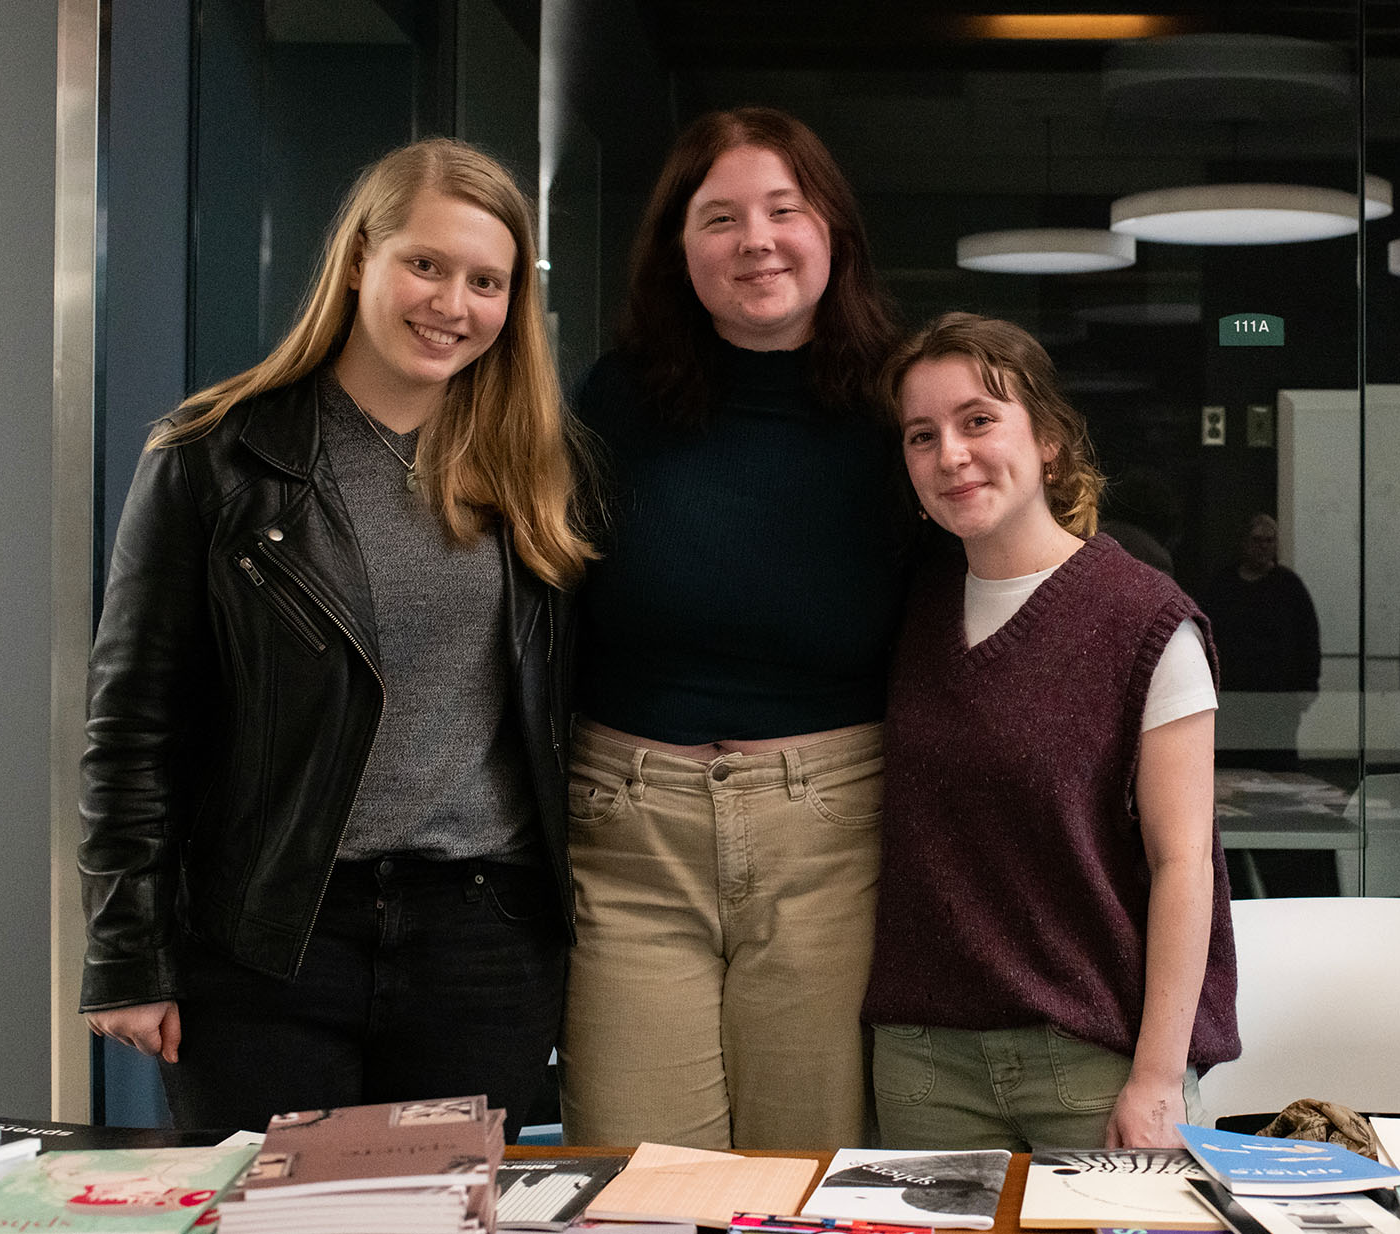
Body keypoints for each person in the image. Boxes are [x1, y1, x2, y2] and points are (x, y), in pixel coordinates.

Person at [77, 138, 594, 1135]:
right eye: (426, 264)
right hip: (270, 934)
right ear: (360, 256)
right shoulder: (213, 455)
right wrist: (125, 954)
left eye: (487, 281)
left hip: (480, 942)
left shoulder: (545, 473)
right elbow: (131, 725)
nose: (453, 303)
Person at [559, 107, 909, 1150]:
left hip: (831, 835)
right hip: (627, 835)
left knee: (804, 1183)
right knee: (636, 1184)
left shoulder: (899, 406)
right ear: (678, 248)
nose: (755, 240)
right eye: (719, 218)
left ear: (832, 231)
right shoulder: (614, 398)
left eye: (782, 210)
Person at [862, 313, 1240, 1151]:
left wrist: (1155, 1078)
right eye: (921, 436)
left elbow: (1185, 866)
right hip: (923, 1060)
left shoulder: (1148, 622)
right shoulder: (911, 615)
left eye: (978, 420)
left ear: (1050, 444)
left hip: (1092, 1059)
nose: (949, 454)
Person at [1196, 513, 1322, 771]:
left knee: (1278, 766)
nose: (1263, 547)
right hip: (1234, 697)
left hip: (1278, 699)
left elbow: (1308, 639)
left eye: (1269, 541)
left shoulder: (1290, 587)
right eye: (1257, 540)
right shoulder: (1223, 586)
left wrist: (1307, 687)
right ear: (1243, 543)